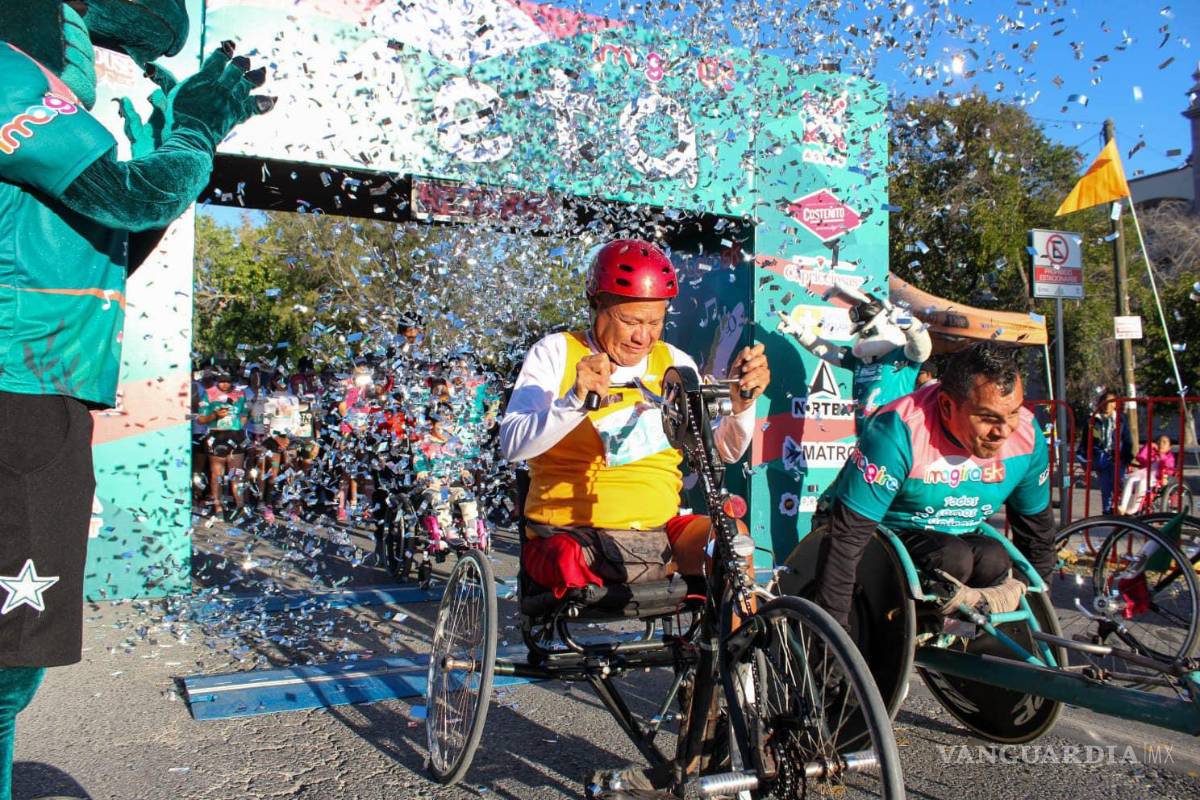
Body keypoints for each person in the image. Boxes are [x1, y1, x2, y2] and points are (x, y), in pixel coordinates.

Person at [0, 3, 273, 797]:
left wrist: (161, 142)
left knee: (15, 664)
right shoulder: (11, 69)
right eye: (112, 48)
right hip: (16, 389)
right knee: (4, 666)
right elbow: (132, 198)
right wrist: (192, 132)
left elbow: (115, 235)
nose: (125, 75)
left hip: (42, 394)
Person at [499, 239, 769, 796]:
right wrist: (574, 399)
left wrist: (743, 406)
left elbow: (720, 450)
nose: (643, 336)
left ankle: (732, 712)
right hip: (575, 531)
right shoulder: (556, 353)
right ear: (598, 307)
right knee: (580, 554)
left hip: (660, 530)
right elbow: (512, 446)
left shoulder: (679, 366)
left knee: (733, 542)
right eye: (629, 321)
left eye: (655, 321)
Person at [812, 341, 1056, 632]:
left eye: (1013, 413)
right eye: (988, 418)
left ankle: (957, 637)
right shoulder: (898, 430)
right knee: (952, 556)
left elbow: (1037, 539)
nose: (1003, 432)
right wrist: (832, 636)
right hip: (873, 532)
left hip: (954, 538)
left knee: (994, 558)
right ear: (946, 406)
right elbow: (845, 541)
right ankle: (912, 627)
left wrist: (1035, 633)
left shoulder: (1027, 437)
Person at [779, 293, 932, 432]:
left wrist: (908, 322)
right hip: (864, 439)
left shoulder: (902, 356)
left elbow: (922, 348)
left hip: (895, 439)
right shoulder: (858, 360)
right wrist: (800, 332)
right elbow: (829, 351)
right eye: (861, 334)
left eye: (868, 332)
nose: (863, 339)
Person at [196, 372, 249, 517]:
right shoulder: (209, 393)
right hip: (216, 434)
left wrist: (239, 425)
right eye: (221, 381)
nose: (224, 384)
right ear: (216, 381)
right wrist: (215, 416)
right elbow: (200, 420)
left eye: (228, 381)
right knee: (216, 474)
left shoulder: (240, 393)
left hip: (235, 434)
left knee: (237, 474)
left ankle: (240, 506)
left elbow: (244, 413)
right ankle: (218, 507)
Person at [1089, 389, 1134, 515]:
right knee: (1105, 486)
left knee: (1119, 482)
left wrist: (1127, 456)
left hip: (1118, 457)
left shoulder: (1120, 419)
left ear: (1115, 404)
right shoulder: (1096, 419)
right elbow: (1093, 438)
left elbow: (1127, 438)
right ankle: (1107, 510)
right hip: (1103, 457)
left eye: (1111, 402)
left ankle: (1122, 506)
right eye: (1106, 402)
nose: (1108, 405)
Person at [1117, 435, 1176, 515]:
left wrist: (1161, 455)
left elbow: (1169, 467)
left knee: (1143, 482)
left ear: (1169, 447)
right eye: (1159, 442)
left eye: (1164, 442)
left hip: (1156, 477)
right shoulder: (1152, 453)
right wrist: (1148, 446)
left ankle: (1133, 509)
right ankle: (1123, 506)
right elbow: (1140, 458)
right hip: (1143, 472)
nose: (1161, 444)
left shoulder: (1169, 457)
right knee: (1130, 479)